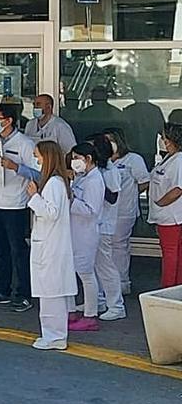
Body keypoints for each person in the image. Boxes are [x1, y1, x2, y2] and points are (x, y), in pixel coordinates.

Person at [0, 102, 39, 313]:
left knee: (18, 250)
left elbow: (39, 173)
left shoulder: (25, 143)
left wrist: (15, 167)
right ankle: (2, 289)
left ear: (9, 120)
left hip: (15, 204)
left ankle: (24, 293)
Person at [26, 141, 76, 351]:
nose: (36, 160)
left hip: (50, 248)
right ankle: (52, 334)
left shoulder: (54, 183)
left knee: (51, 294)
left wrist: (34, 196)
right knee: (50, 293)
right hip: (49, 245)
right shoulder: (55, 182)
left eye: (38, 156)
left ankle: (54, 336)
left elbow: (51, 212)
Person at [104, 128, 149, 299]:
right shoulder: (104, 161)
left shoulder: (133, 159)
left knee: (119, 245)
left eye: (110, 140)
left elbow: (144, 181)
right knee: (108, 246)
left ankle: (122, 282)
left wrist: (130, 193)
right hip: (107, 211)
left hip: (124, 210)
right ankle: (110, 282)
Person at [66, 141, 105, 332]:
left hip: (86, 233)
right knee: (74, 273)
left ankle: (90, 315)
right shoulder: (83, 177)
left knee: (86, 275)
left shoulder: (95, 180)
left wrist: (70, 200)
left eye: (76, 158)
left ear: (88, 159)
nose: (74, 162)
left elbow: (91, 209)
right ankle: (71, 311)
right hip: (75, 232)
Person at [88, 135, 124, 322]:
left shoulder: (110, 171)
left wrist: (96, 183)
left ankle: (116, 305)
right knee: (92, 265)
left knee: (105, 267)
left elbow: (113, 197)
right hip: (93, 225)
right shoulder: (96, 170)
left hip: (104, 225)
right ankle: (99, 300)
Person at [148, 122, 182, 288]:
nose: (161, 140)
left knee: (171, 254)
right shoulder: (169, 158)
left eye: (163, 137)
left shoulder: (179, 160)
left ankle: (169, 288)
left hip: (172, 217)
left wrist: (161, 203)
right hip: (163, 216)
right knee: (171, 253)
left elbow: (178, 189)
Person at [122, 83, 164, 164]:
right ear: (147, 94)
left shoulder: (128, 110)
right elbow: (162, 130)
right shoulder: (155, 110)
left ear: (135, 95)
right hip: (149, 149)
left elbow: (122, 130)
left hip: (132, 149)